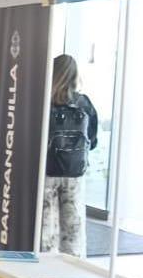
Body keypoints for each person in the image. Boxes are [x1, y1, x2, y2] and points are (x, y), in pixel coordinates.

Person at [40, 54, 100, 258]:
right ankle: (73, 267)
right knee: (73, 228)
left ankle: (46, 267)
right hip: (74, 173)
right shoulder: (83, 103)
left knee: (45, 229)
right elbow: (92, 139)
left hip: (47, 170)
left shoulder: (42, 102)